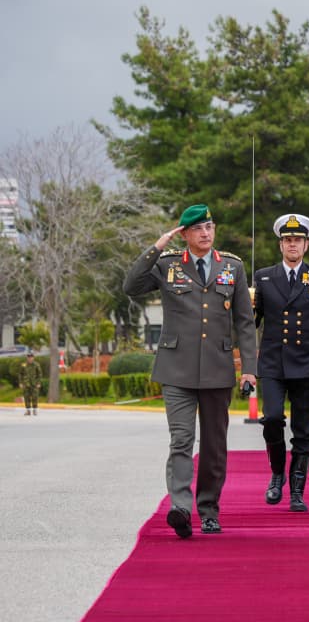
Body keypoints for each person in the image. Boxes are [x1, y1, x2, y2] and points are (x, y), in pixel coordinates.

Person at [123, 204, 258, 538]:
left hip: (217, 368)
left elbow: (244, 321)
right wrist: (155, 247)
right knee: (181, 439)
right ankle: (180, 508)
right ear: (184, 234)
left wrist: (249, 370)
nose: (206, 233)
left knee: (214, 445)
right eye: (198, 228)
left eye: (210, 226)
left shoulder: (232, 267)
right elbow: (131, 285)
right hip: (176, 369)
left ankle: (209, 510)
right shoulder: (167, 264)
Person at [253, 213, 309, 511]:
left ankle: (297, 490)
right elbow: (252, 322)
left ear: (306, 244)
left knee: (303, 429)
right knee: (273, 418)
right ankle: (277, 474)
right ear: (280, 245)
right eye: (287, 240)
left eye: (297, 240)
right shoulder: (264, 277)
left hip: (308, 362)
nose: (292, 244)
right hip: (274, 363)